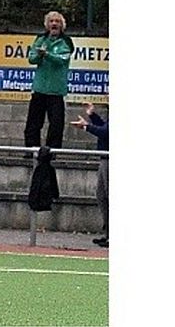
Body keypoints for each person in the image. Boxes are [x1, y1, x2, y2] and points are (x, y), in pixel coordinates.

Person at [23, 11, 75, 158]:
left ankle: (52, 153)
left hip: (56, 91)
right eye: (51, 21)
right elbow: (32, 59)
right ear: (47, 24)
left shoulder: (66, 42)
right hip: (39, 89)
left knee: (56, 124)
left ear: (62, 25)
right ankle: (31, 151)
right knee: (33, 124)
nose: (54, 24)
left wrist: (47, 54)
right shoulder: (40, 39)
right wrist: (40, 54)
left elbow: (62, 60)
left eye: (57, 21)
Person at [71, 103, 109, 247]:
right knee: (102, 196)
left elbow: (106, 133)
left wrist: (87, 126)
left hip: (109, 158)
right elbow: (104, 128)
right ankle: (108, 233)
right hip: (104, 157)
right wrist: (93, 116)